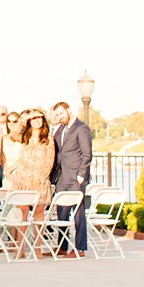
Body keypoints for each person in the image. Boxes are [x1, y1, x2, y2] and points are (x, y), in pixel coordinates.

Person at [9, 108, 56, 258]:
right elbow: (14, 133)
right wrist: (24, 119)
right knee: (22, 213)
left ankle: (37, 247)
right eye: (33, 118)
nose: (36, 121)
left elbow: (49, 161)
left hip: (39, 181)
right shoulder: (24, 136)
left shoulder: (48, 139)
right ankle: (20, 247)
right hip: (23, 180)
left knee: (38, 214)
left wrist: (42, 178)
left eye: (39, 118)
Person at [51, 101, 94, 255]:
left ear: (69, 110)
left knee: (78, 213)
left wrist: (82, 174)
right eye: (57, 114)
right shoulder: (61, 129)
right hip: (62, 176)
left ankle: (80, 248)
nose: (59, 117)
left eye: (61, 113)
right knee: (61, 212)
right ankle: (62, 247)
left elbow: (87, 153)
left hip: (76, 177)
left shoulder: (81, 128)